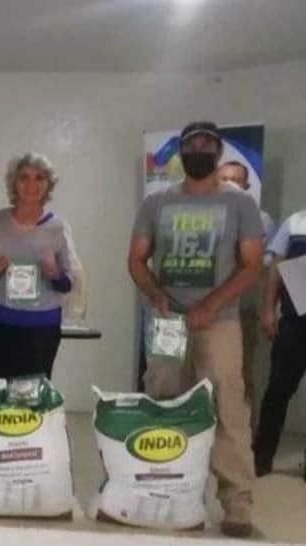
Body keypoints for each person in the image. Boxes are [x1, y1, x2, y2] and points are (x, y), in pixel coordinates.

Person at [128, 121, 263, 538]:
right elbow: (136, 260)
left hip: (219, 322)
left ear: (218, 152)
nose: (199, 150)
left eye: (207, 144)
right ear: (180, 152)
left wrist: (210, 305)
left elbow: (251, 265)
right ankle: (165, 491)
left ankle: (237, 504)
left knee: (227, 408)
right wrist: (156, 294)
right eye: (191, 144)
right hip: (167, 322)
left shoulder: (239, 203)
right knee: (164, 404)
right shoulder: (156, 203)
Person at [0, 153, 73, 384]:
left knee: (33, 395)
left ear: (49, 185)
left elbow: (69, 283)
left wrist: (55, 274)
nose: (31, 185)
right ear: (13, 183)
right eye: (24, 177)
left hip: (42, 328)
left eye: (39, 178)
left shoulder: (58, 227)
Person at [217, 161, 275, 429]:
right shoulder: (204, 213)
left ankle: (244, 436)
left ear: (246, 185)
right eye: (224, 178)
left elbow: (260, 265)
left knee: (240, 374)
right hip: (201, 309)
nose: (229, 184)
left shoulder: (260, 219)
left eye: (236, 180)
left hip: (241, 309)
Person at [253, 210, 306, 476]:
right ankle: (262, 456)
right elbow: (276, 267)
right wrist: (268, 310)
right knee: (278, 388)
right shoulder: (295, 223)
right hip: (295, 320)